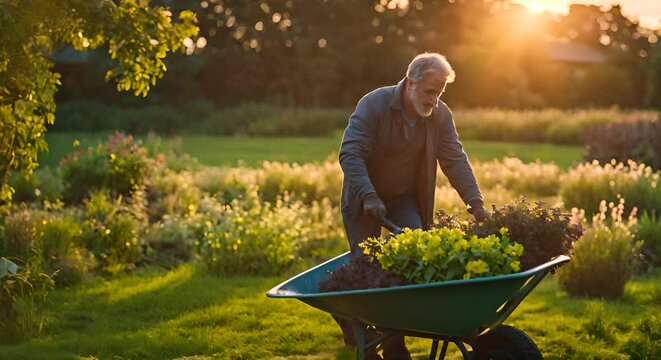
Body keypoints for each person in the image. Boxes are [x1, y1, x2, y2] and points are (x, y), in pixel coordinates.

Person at [337, 53, 490, 359]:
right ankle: (349, 321)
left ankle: (394, 343)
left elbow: (455, 160)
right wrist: (368, 195)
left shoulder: (440, 116)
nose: (434, 99)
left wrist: (476, 204)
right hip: (363, 198)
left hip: (404, 199)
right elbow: (350, 153)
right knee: (367, 269)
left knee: (409, 262)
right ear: (410, 83)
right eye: (429, 92)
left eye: (439, 93)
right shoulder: (374, 105)